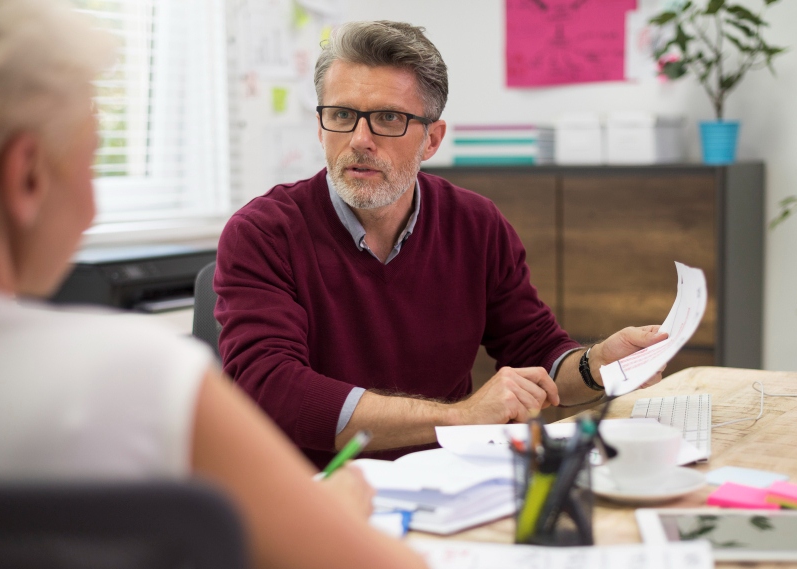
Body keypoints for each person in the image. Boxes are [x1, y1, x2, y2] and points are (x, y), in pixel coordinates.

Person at [0, 2, 447, 569]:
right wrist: (338, 512)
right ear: (25, 175)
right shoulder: (131, 377)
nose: (90, 204)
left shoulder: (470, 223)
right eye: (89, 158)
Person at [215, 20, 667, 467]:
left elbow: (538, 354)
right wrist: (459, 418)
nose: (359, 140)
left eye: (388, 118)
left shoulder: (476, 224)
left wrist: (599, 363)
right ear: (320, 127)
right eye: (341, 115)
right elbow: (272, 390)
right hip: (316, 494)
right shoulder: (262, 233)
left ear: (432, 139)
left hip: (448, 484)